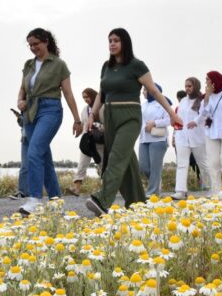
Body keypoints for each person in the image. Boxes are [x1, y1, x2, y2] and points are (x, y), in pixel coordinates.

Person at [83, 28, 181, 217]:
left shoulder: (137, 65)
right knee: (126, 162)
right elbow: (101, 94)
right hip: (110, 116)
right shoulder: (106, 67)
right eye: (110, 40)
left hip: (130, 116)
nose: (112, 44)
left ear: (124, 43)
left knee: (116, 158)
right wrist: (91, 115)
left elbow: (153, 91)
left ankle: (103, 200)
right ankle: (138, 204)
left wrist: (172, 113)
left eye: (116, 40)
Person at [16, 28, 82, 215]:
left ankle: (34, 200)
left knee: (34, 151)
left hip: (50, 110)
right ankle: (55, 200)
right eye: (30, 45)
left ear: (46, 41)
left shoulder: (59, 64)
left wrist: (77, 119)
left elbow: (68, 93)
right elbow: (23, 88)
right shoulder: (28, 64)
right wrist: (20, 100)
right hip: (29, 111)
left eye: (36, 44)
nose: (33, 48)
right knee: (43, 157)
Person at [172, 78, 207, 199]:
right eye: (186, 86)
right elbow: (179, 117)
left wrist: (195, 122)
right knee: (182, 164)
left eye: (190, 86)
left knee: (203, 164)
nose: (187, 88)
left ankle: (212, 188)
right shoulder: (183, 101)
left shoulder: (202, 101)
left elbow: (204, 115)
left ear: (196, 86)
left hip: (198, 138)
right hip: (182, 137)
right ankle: (180, 191)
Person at [138, 83, 170, 197]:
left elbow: (169, 120)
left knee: (155, 168)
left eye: (145, 89)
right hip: (144, 139)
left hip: (158, 139)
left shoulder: (163, 104)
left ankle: (152, 194)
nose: (143, 92)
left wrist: (154, 123)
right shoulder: (143, 105)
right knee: (143, 167)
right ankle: (156, 185)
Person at [71, 87, 103, 197]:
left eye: (87, 97)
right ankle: (76, 188)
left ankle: (106, 188)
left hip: (101, 141)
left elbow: (108, 124)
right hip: (88, 140)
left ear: (93, 96)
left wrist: (97, 127)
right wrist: (79, 130)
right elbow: (84, 124)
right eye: (83, 97)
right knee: (82, 163)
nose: (85, 99)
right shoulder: (85, 110)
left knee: (102, 165)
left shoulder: (103, 107)